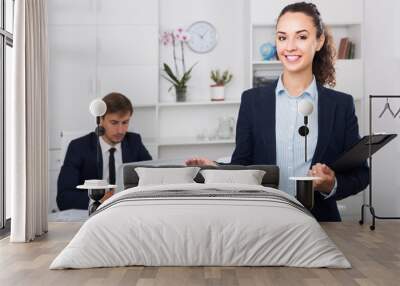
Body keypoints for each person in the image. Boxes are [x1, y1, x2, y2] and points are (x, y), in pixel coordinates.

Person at [186, 2, 369, 222]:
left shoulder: (341, 105)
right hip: (263, 222)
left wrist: (331, 184)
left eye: (301, 37)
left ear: (319, 41)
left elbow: (360, 174)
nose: (289, 46)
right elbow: (244, 165)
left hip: (320, 224)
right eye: (282, 37)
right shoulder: (253, 101)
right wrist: (217, 169)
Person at [57, 92, 152, 210]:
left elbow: (151, 183)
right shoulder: (78, 147)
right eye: (114, 122)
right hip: (94, 213)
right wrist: (97, 200)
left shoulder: (134, 142)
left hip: (126, 209)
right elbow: (63, 197)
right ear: (101, 119)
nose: (121, 130)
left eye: (125, 122)